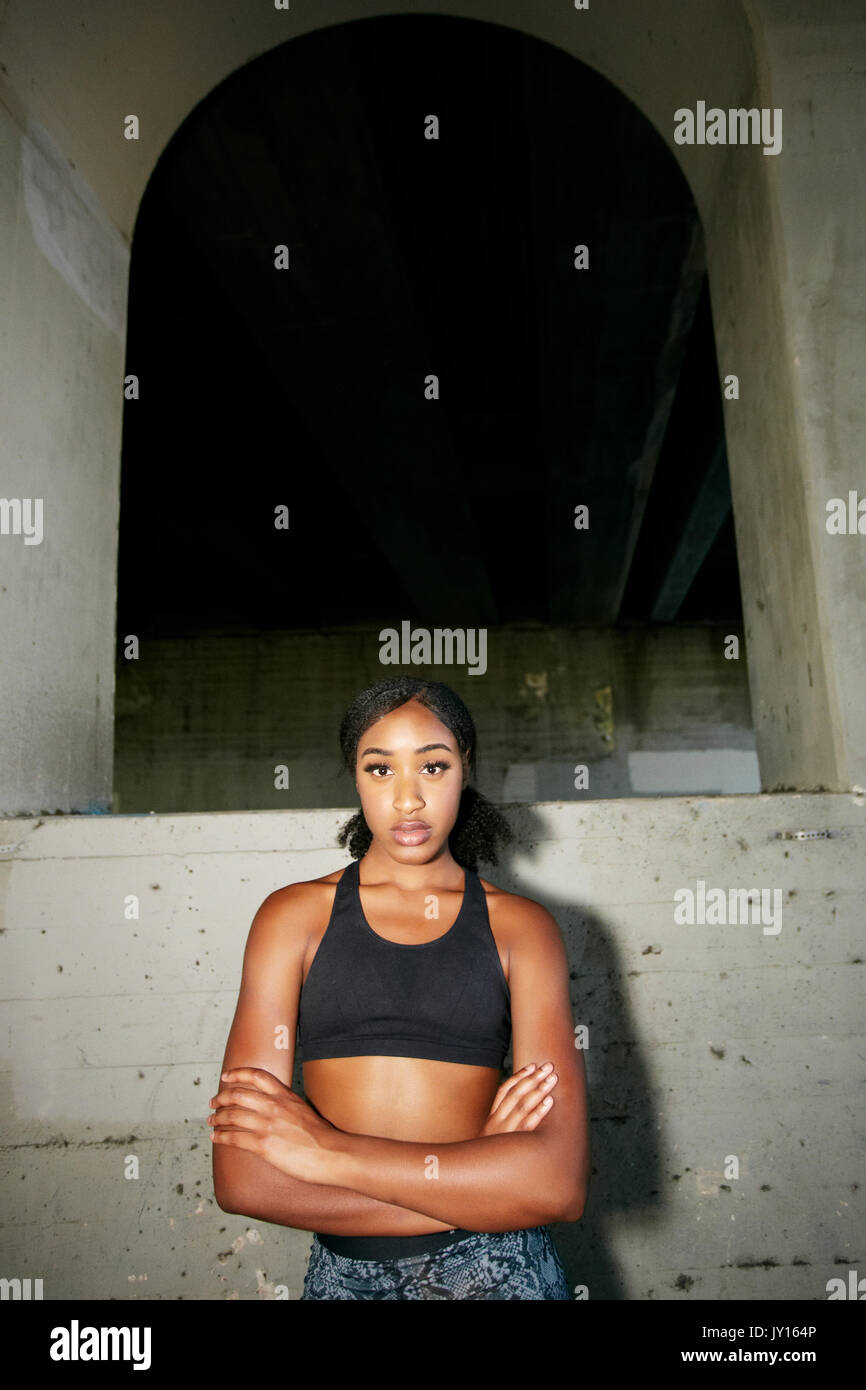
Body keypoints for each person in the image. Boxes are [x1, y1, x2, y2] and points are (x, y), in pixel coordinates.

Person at [210, 676, 589, 1299]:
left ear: (465, 771)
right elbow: (244, 1182)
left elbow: (558, 1187)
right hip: (343, 1280)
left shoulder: (521, 928)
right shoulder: (291, 918)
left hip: (499, 1273)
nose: (408, 799)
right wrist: (475, 1183)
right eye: (381, 769)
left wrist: (329, 1152)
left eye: (433, 767)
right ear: (355, 779)